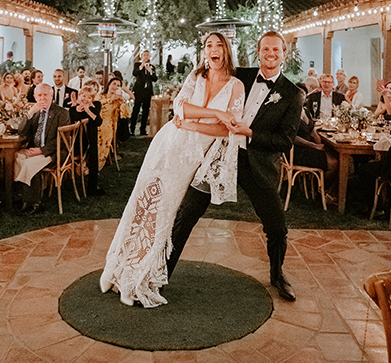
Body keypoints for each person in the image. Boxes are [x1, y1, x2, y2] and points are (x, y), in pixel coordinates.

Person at [100, 32, 245, 307]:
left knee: (162, 215)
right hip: (166, 145)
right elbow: (180, 106)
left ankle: (136, 278)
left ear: (226, 51)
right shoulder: (195, 77)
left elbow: (225, 132)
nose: (213, 50)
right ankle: (114, 267)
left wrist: (191, 123)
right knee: (141, 204)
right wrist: (215, 113)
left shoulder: (236, 86)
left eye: (218, 46)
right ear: (204, 51)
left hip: (192, 157)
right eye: (208, 46)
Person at [167, 31, 304, 302]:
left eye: (276, 50)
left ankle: (277, 275)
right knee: (187, 214)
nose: (271, 54)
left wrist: (250, 132)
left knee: (276, 227)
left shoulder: (293, 93)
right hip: (220, 156)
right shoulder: (239, 74)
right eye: (266, 49)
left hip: (258, 165)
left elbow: (285, 141)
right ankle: (162, 272)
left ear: (284, 53)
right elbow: (209, 79)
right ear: (259, 51)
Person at [15, 83, 70, 214]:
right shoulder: (34, 111)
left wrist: (41, 150)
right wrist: (29, 114)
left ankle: (34, 202)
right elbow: (21, 132)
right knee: (16, 158)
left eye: (46, 95)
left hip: (54, 151)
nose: (43, 98)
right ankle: (23, 195)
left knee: (29, 163)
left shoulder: (61, 113)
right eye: (39, 95)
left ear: (52, 96)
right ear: (34, 96)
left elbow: (61, 140)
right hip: (35, 148)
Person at [70, 85, 103, 196]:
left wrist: (88, 109)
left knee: (93, 157)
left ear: (92, 100)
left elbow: (98, 122)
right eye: (83, 95)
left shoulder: (93, 108)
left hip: (89, 142)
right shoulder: (72, 109)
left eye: (89, 97)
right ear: (79, 96)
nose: (85, 98)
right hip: (75, 143)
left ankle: (92, 187)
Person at [130, 50, 157, 136]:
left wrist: (150, 71)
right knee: (136, 110)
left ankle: (143, 130)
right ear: (141, 57)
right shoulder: (137, 65)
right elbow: (134, 73)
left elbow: (155, 79)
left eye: (147, 55)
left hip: (147, 92)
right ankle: (132, 129)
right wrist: (142, 65)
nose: (146, 57)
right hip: (139, 91)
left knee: (145, 111)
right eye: (144, 55)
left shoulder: (152, 67)